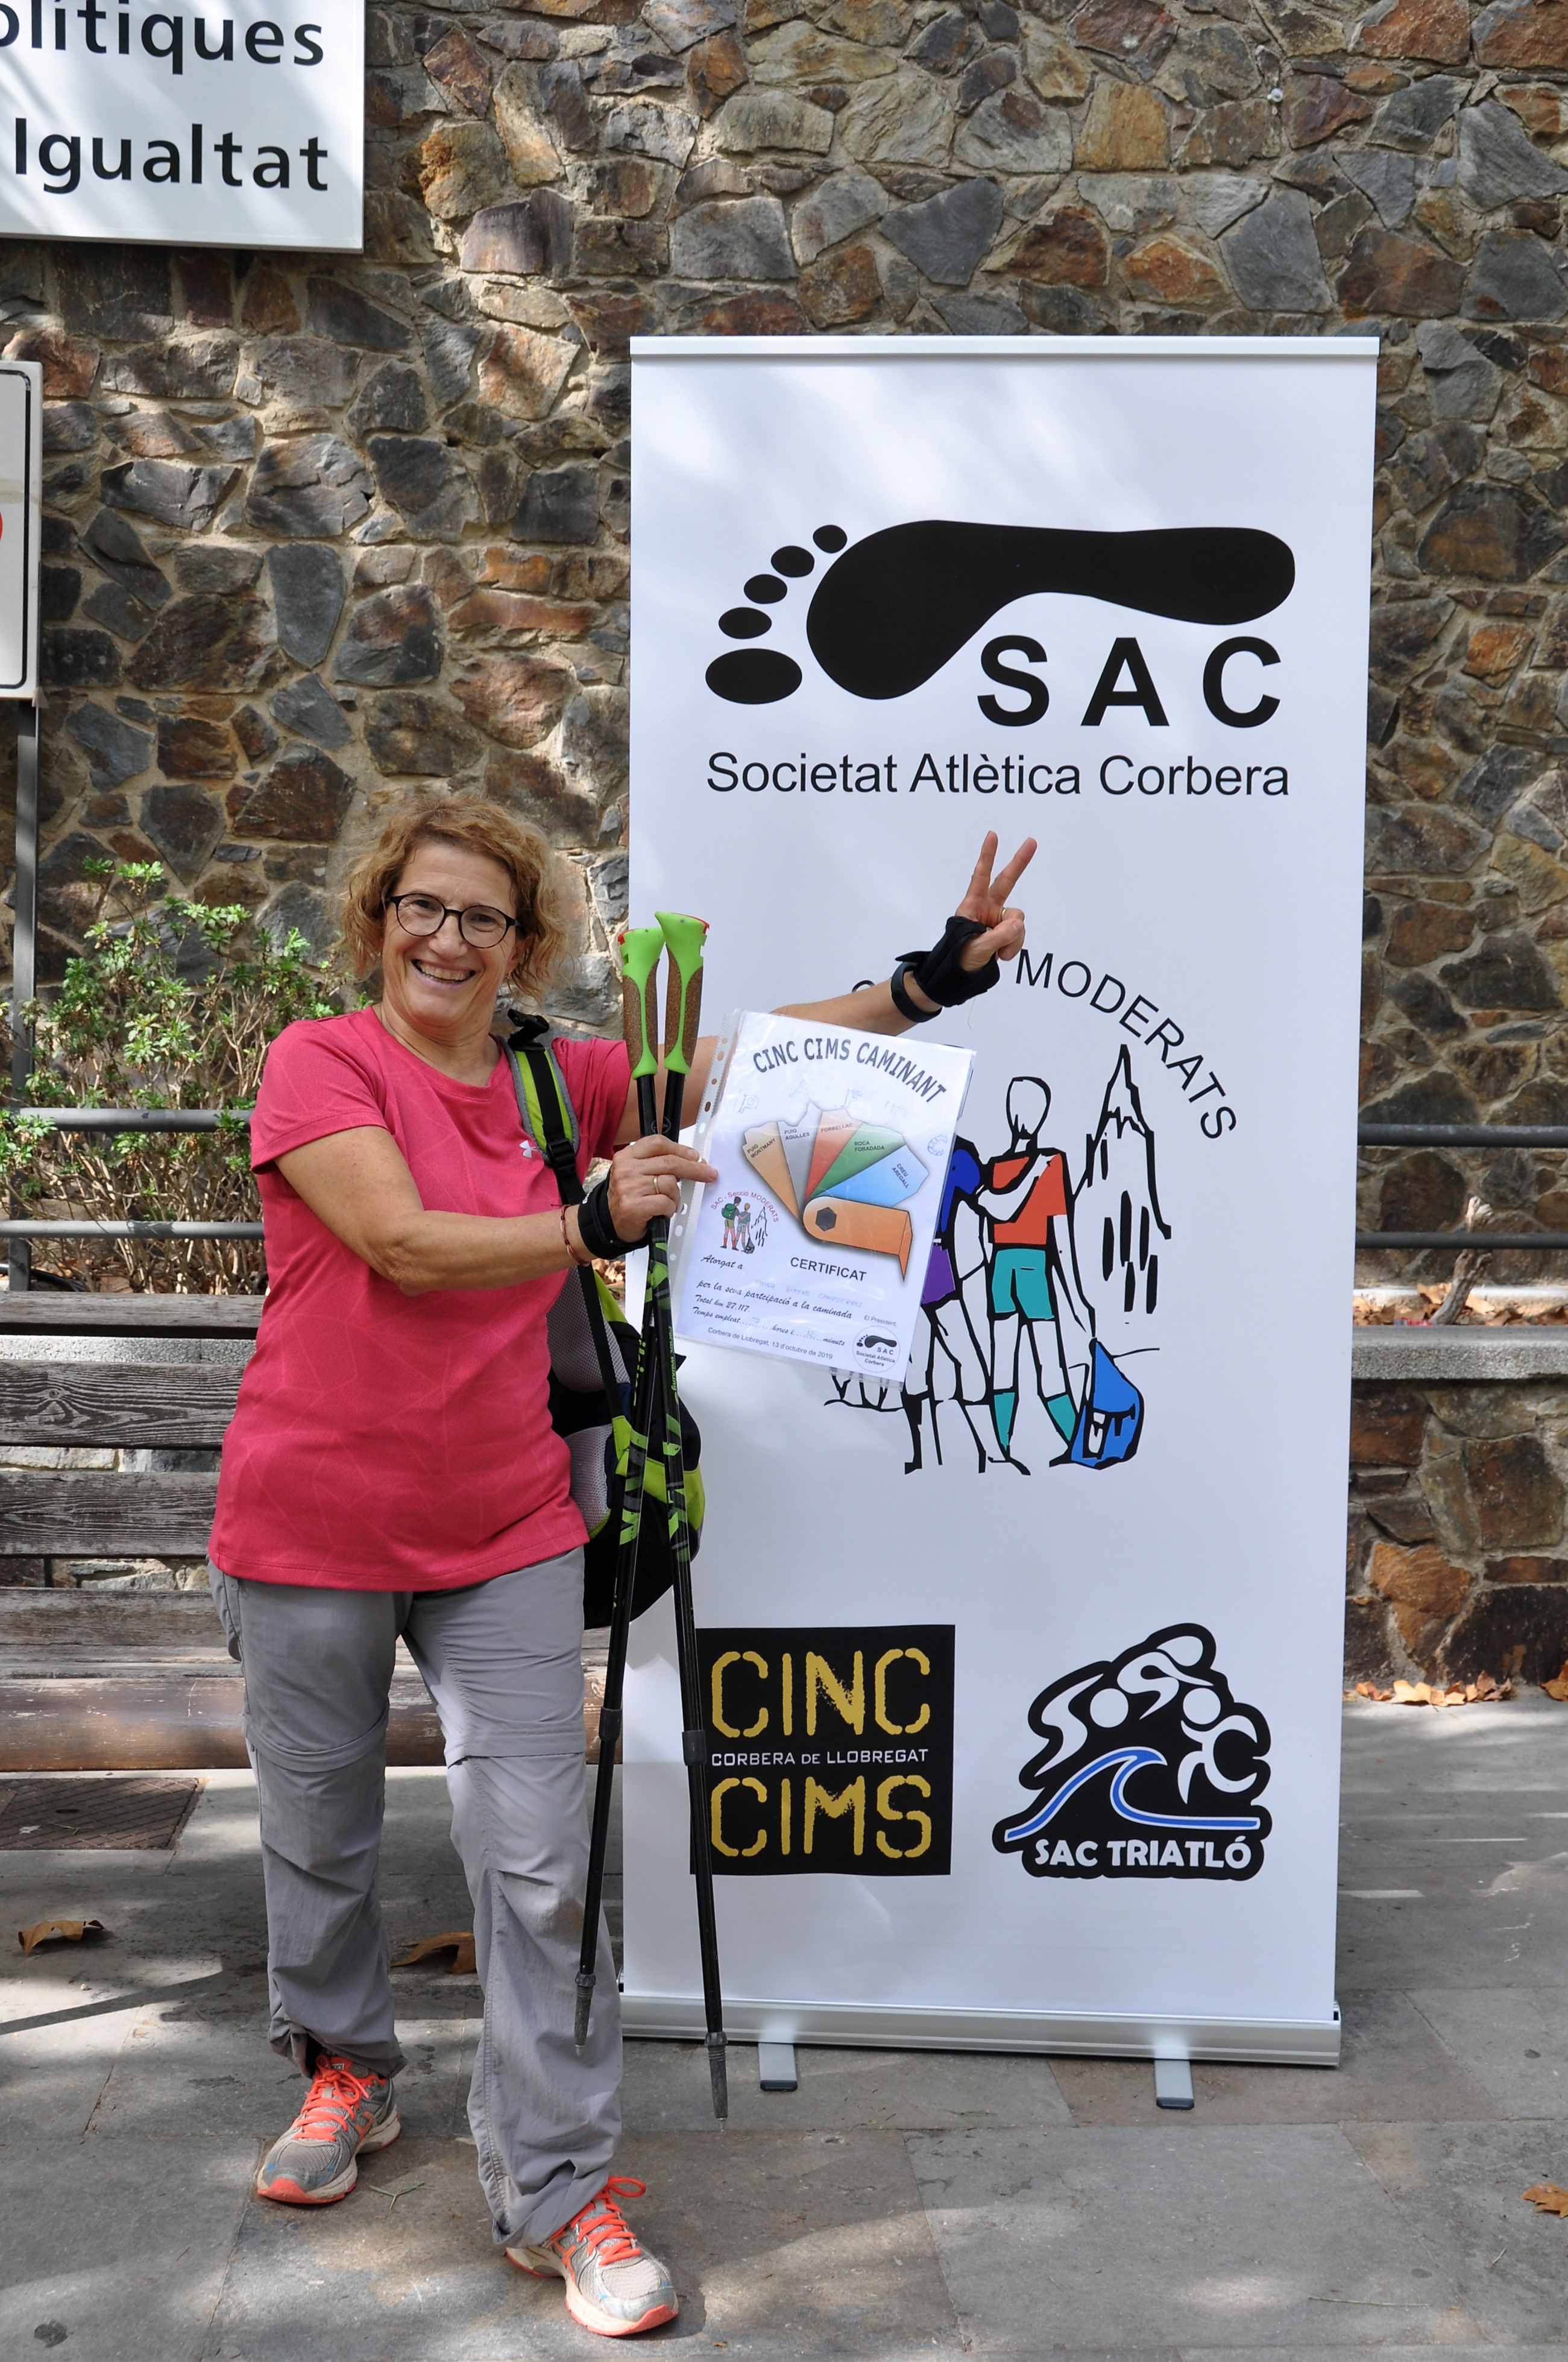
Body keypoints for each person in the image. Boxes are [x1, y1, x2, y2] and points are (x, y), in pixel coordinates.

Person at [206, 792, 1034, 2339]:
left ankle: (553, 2186)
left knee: (538, 1868)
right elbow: (397, 1242)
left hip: (507, 1524)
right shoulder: (323, 1062)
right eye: (423, 906)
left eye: (484, 917)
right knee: (317, 1837)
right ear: (378, 916)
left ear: (524, 945)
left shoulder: (553, 1077)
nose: (449, 938)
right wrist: (587, 1221)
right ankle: (346, 2071)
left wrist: (926, 981)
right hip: (309, 1521)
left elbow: (755, 1061)